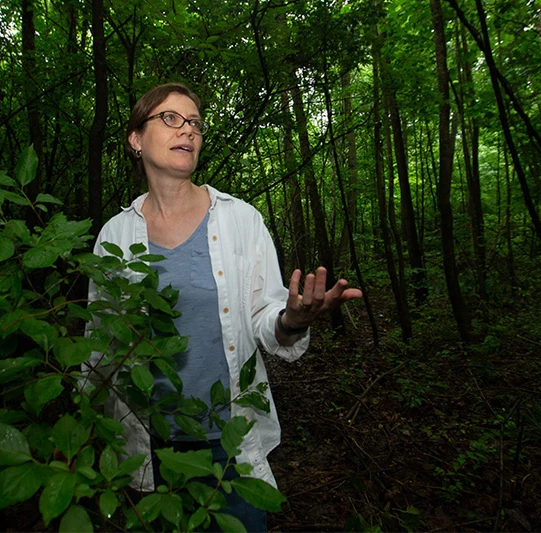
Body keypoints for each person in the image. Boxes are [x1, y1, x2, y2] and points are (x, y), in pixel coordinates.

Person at [84, 82, 361, 531]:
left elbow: (266, 321)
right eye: (171, 119)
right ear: (136, 139)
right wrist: (84, 427)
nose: (187, 130)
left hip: (229, 443)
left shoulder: (240, 220)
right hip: (147, 446)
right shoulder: (114, 236)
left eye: (194, 122)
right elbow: (101, 345)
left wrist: (293, 318)